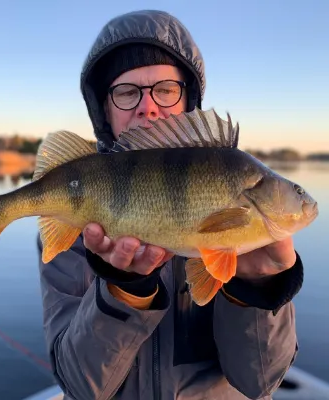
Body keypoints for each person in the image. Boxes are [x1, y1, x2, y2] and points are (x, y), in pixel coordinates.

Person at [37, 10, 303, 400]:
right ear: (104, 111)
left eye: (165, 90)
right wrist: (125, 290)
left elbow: (259, 383)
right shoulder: (75, 220)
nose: (147, 107)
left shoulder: (250, 220)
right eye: (127, 92)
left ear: (188, 102)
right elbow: (81, 387)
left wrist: (258, 289)